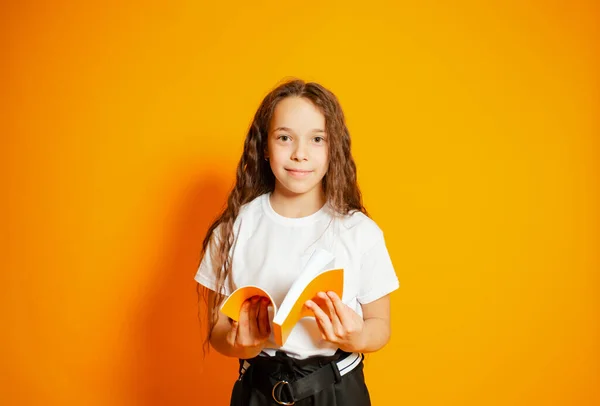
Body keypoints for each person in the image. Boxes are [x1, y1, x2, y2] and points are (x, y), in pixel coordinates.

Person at [195, 79, 399, 405]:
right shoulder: (234, 228)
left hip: (337, 391)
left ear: (334, 149)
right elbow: (218, 331)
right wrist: (241, 344)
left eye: (317, 139)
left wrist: (355, 334)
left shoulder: (359, 231)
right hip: (258, 391)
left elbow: (381, 327)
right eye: (285, 138)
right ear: (264, 146)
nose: (300, 154)